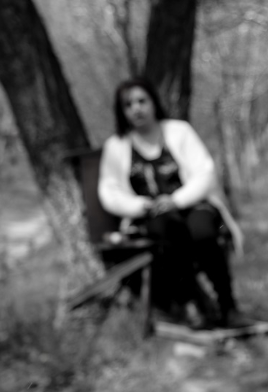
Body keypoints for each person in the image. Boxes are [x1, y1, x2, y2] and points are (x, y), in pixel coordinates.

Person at [98, 78, 247, 328]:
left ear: (153, 102)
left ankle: (228, 306)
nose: (136, 108)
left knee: (203, 230)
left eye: (141, 101)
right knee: (167, 232)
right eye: (128, 104)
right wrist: (139, 206)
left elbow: (205, 172)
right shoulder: (116, 146)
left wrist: (176, 200)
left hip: (192, 204)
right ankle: (191, 304)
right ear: (121, 111)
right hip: (152, 215)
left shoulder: (179, 131)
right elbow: (109, 192)